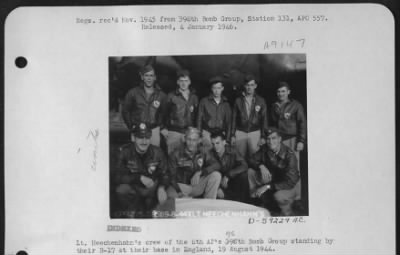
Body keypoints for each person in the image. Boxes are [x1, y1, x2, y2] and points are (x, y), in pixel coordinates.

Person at [112, 123, 170, 217]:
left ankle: (150, 210)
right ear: (133, 138)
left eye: (147, 138)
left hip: (152, 189)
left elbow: (165, 173)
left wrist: (162, 187)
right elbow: (117, 177)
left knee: (164, 199)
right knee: (121, 190)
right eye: (140, 137)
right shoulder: (124, 152)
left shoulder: (157, 152)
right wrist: (138, 178)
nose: (144, 141)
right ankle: (131, 209)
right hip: (134, 188)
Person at [247, 127, 300, 216]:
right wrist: (261, 166)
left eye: (273, 138)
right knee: (251, 172)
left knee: (279, 197)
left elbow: (291, 181)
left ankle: (287, 210)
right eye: (268, 139)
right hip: (274, 182)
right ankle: (256, 199)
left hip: (290, 186)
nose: (271, 142)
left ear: (280, 139)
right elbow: (251, 159)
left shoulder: (289, 155)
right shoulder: (265, 148)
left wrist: (268, 186)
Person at [168, 127, 222, 199]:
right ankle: (187, 199)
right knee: (170, 194)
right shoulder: (176, 154)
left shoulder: (203, 151)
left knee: (216, 175)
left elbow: (216, 165)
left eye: (194, 140)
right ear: (184, 138)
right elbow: (171, 176)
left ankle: (208, 204)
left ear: (199, 140)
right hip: (182, 187)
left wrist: (201, 172)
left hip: (197, 185)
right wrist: (179, 192)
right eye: (189, 139)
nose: (191, 143)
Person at [121, 65, 167, 146]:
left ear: (155, 77)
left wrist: (161, 126)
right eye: (146, 75)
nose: (149, 78)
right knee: (137, 155)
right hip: (138, 130)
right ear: (142, 77)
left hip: (154, 130)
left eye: (151, 75)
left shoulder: (161, 95)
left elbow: (164, 113)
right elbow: (125, 111)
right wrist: (131, 126)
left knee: (154, 155)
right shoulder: (133, 93)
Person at [231, 74, 268, 159]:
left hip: (255, 132)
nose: (249, 87)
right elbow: (233, 119)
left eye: (251, 85)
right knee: (239, 159)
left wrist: (263, 136)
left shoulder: (261, 100)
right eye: (247, 85)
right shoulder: (238, 100)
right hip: (240, 132)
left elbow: (264, 119)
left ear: (255, 86)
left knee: (255, 158)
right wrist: (232, 135)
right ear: (244, 86)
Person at [162, 69, 199, 154]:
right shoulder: (171, 96)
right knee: (172, 158)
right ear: (177, 82)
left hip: (189, 133)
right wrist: (162, 128)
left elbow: (197, 115)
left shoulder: (194, 97)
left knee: (188, 159)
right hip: (174, 132)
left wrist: (195, 131)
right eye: (181, 81)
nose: (183, 83)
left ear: (189, 82)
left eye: (186, 81)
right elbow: (162, 113)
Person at [270, 81, 306, 165]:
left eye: (283, 91)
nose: (280, 94)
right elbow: (272, 124)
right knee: (280, 166)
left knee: (293, 165)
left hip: (292, 139)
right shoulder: (274, 106)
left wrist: (301, 141)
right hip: (279, 140)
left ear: (288, 92)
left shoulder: (296, 105)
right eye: (278, 91)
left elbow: (302, 123)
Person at [210, 130, 249, 203]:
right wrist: (217, 188)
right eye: (213, 144)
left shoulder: (232, 151)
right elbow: (209, 174)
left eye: (217, 143)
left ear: (224, 142)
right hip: (220, 184)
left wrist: (228, 175)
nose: (215, 146)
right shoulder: (210, 154)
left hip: (232, 181)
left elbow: (244, 165)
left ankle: (244, 203)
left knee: (244, 175)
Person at [197, 76, 232, 149]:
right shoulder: (204, 101)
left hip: (220, 134)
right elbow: (199, 119)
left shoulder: (226, 104)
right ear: (211, 88)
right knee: (207, 154)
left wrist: (227, 139)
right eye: (214, 88)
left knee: (219, 156)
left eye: (219, 88)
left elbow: (228, 122)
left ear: (222, 88)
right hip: (207, 133)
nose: (216, 91)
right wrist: (199, 135)